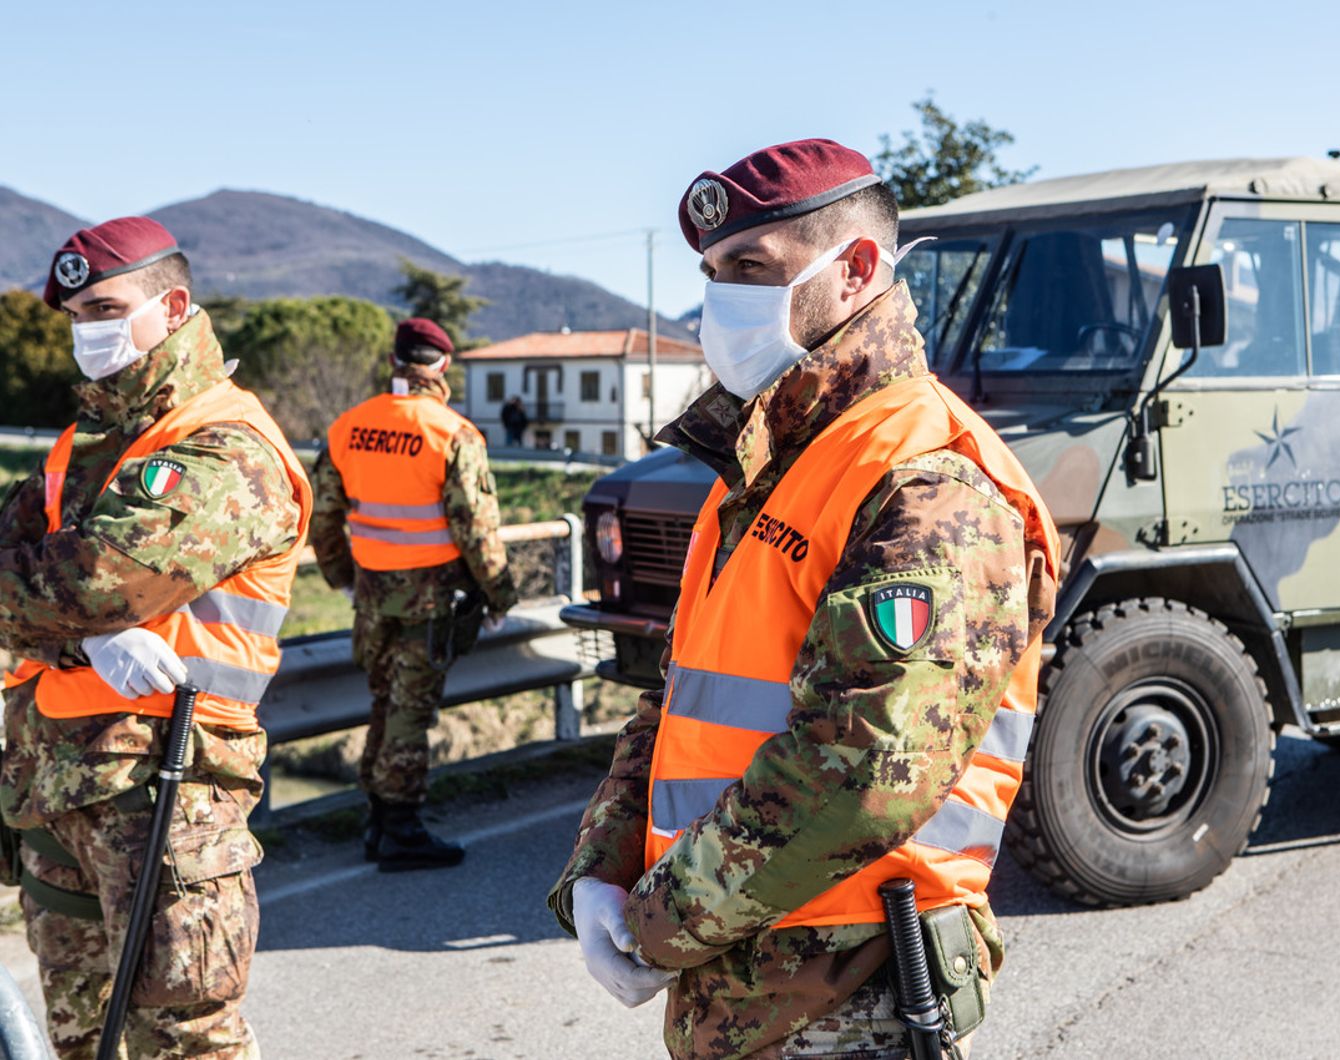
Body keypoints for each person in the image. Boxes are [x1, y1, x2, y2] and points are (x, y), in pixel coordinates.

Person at [547, 140, 1060, 1059]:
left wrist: (662, 921)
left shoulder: (927, 479)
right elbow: (679, 700)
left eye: (751, 267)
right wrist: (602, 865)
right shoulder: (761, 467)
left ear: (857, 269)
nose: (720, 298)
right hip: (739, 974)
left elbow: (862, 768)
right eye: (711, 273)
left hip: (856, 990)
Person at [0, 216, 312, 1059]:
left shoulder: (226, 445)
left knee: (186, 1042)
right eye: (73, 315)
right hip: (56, 781)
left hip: (166, 786)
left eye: (104, 306)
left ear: (172, 305)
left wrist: (79, 619)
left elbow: (99, 580)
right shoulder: (85, 446)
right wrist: (79, 641)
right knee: (79, 1035)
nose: (85, 330)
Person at [310, 318, 518, 871]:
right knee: (410, 709)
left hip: (373, 595)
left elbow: (323, 518)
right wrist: (500, 595)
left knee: (384, 701)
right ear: (443, 366)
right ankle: (400, 827)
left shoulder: (349, 427)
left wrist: (343, 577)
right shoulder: (452, 433)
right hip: (430, 600)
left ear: (395, 361)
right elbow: (476, 529)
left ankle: (379, 820)